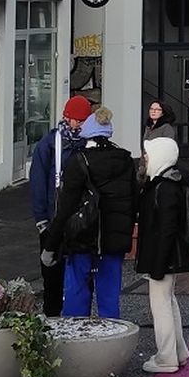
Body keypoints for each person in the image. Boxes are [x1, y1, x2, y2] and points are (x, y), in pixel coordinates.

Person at [45, 111, 138, 318]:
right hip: (114, 238)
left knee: (77, 292)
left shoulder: (80, 161)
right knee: (109, 296)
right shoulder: (125, 159)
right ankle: (113, 334)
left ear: (86, 133)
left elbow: (65, 207)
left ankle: (77, 335)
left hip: (83, 235)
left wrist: (51, 244)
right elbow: (133, 201)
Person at [134, 136, 189, 374]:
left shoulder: (164, 187)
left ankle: (166, 356)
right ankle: (178, 351)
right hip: (169, 255)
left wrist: (158, 264)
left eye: (148, 154)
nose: (145, 158)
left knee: (161, 305)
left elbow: (167, 229)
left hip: (163, 256)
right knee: (168, 301)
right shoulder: (170, 182)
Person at [29, 93, 92, 315]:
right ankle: (52, 319)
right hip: (53, 220)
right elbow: (38, 183)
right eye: (79, 120)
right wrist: (42, 221)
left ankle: (77, 320)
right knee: (52, 279)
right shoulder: (49, 145)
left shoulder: (88, 144)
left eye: (85, 121)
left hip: (81, 221)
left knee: (81, 278)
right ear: (68, 118)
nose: (82, 125)